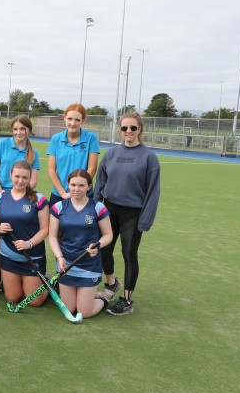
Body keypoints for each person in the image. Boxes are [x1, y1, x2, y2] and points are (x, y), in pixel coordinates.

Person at [95, 111, 161, 316]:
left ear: (140, 129)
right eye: (125, 128)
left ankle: (126, 299)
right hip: (110, 209)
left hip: (132, 213)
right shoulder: (112, 154)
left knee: (128, 254)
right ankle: (111, 284)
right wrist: (96, 208)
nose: (128, 131)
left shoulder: (148, 157)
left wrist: (145, 220)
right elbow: (100, 183)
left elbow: (153, 192)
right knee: (104, 250)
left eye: (133, 127)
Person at [48, 169, 114, 319]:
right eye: (73, 185)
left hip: (89, 265)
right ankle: (87, 295)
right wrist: (59, 257)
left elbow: (108, 235)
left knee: (84, 312)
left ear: (89, 186)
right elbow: (52, 236)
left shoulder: (97, 207)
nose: (76, 189)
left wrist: (97, 245)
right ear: (68, 185)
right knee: (70, 309)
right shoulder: (58, 207)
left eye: (81, 185)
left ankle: (105, 297)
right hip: (66, 264)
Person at [0, 161, 50, 306]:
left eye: (25, 177)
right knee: (13, 298)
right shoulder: (0, 198)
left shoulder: (39, 199)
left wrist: (28, 243)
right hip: (9, 256)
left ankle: (46, 282)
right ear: (10, 175)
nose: (20, 181)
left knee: (34, 302)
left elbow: (45, 229)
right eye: (17, 176)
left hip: (32, 255)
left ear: (30, 179)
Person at [46, 103, 99, 207]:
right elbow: (51, 170)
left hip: (84, 195)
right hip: (59, 194)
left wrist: (78, 190)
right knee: (54, 223)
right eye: (69, 118)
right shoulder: (56, 139)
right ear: (64, 118)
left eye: (77, 120)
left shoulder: (91, 138)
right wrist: (63, 193)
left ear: (83, 120)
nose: (73, 123)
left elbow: (92, 168)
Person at [0, 115, 40, 193]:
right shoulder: (2, 143)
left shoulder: (34, 153)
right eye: (15, 129)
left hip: (22, 193)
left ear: (29, 130)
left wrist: (20, 194)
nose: (18, 132)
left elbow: (33, 182)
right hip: (2, 191)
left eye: (22, 129)